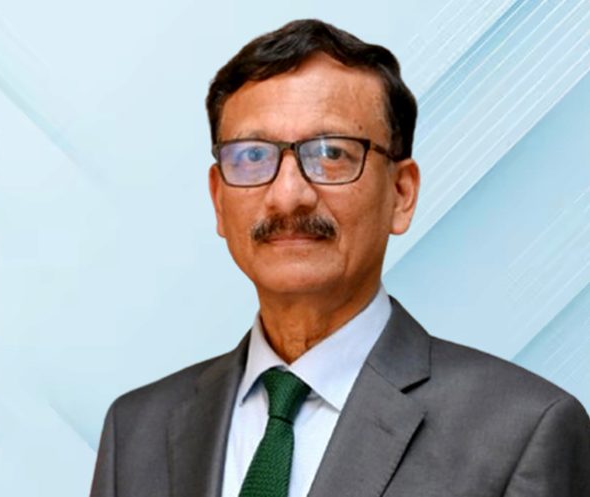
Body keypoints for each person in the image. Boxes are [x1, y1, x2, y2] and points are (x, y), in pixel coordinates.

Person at [89, 18, 590, 497]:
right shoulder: (136, 429)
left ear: (401, 193)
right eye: (253, 156)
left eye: (331, 154)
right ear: (219, 199)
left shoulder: (522, 432)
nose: (288, 196)